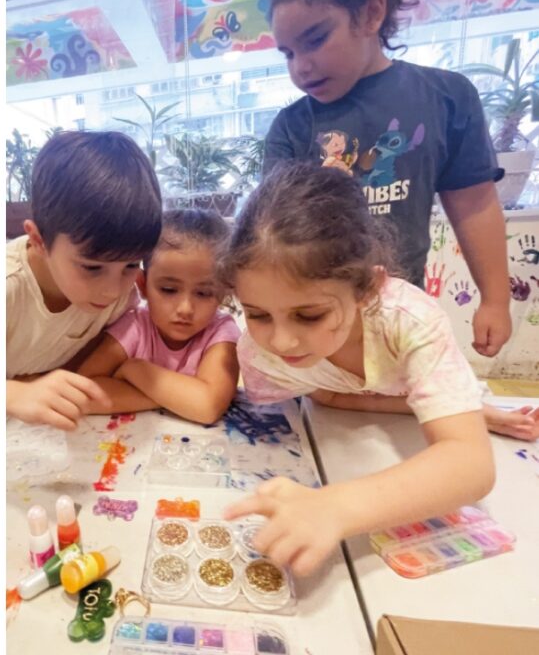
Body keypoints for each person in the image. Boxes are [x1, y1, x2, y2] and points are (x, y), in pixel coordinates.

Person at [220, 162, 539, 577]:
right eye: (257, 313)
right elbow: (329, 395)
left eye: (310, 315)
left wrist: (335, 506)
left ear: (367, 288)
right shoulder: (260, 355)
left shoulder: (408, 320)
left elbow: (472, 468)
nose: (281, 342)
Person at [263, 0, 512, 358]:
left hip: (403, 315)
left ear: (372, 13)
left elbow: (473, 204)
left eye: (315, 39)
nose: (300, 66)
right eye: (287, 53)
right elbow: (275, 239)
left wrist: (495, 300)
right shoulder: (291, 126)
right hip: (319, 324)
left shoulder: (446, 97)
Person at [6, 130, 163, 430]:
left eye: (131, 265)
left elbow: (82, 378)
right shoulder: (7, 288)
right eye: (92, 268)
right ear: (39, 239)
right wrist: (14, 393)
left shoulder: (123, 298)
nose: (113, 289)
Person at [77, 209, 240, 423]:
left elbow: (207, 407)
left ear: (223, 293)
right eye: (169, 289)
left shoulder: (222, 332)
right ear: (143, 285)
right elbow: (82, 391)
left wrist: (137, 370)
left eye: (203, 293)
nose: (185, 308)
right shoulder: (134, 325)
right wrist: (175, 398)